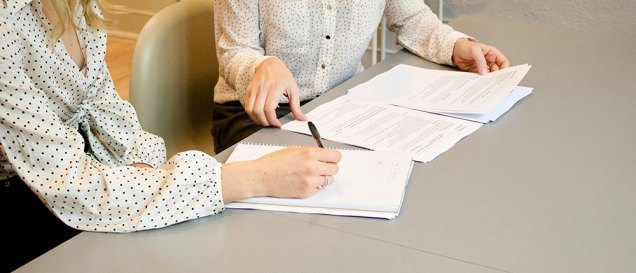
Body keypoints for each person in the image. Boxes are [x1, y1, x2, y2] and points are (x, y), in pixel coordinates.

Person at [0, 0, 341, 271]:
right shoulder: (6, 25)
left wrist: (151, 172)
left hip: (76, 172)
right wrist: (251, 179)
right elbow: (75, 186)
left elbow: (108, 115)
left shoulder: (78, 7)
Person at [212, 0, 510, 152]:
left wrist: (457, 46)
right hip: (255, 112)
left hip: (341, 103)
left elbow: (412, 18)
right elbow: (234, 50)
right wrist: (260, 67)